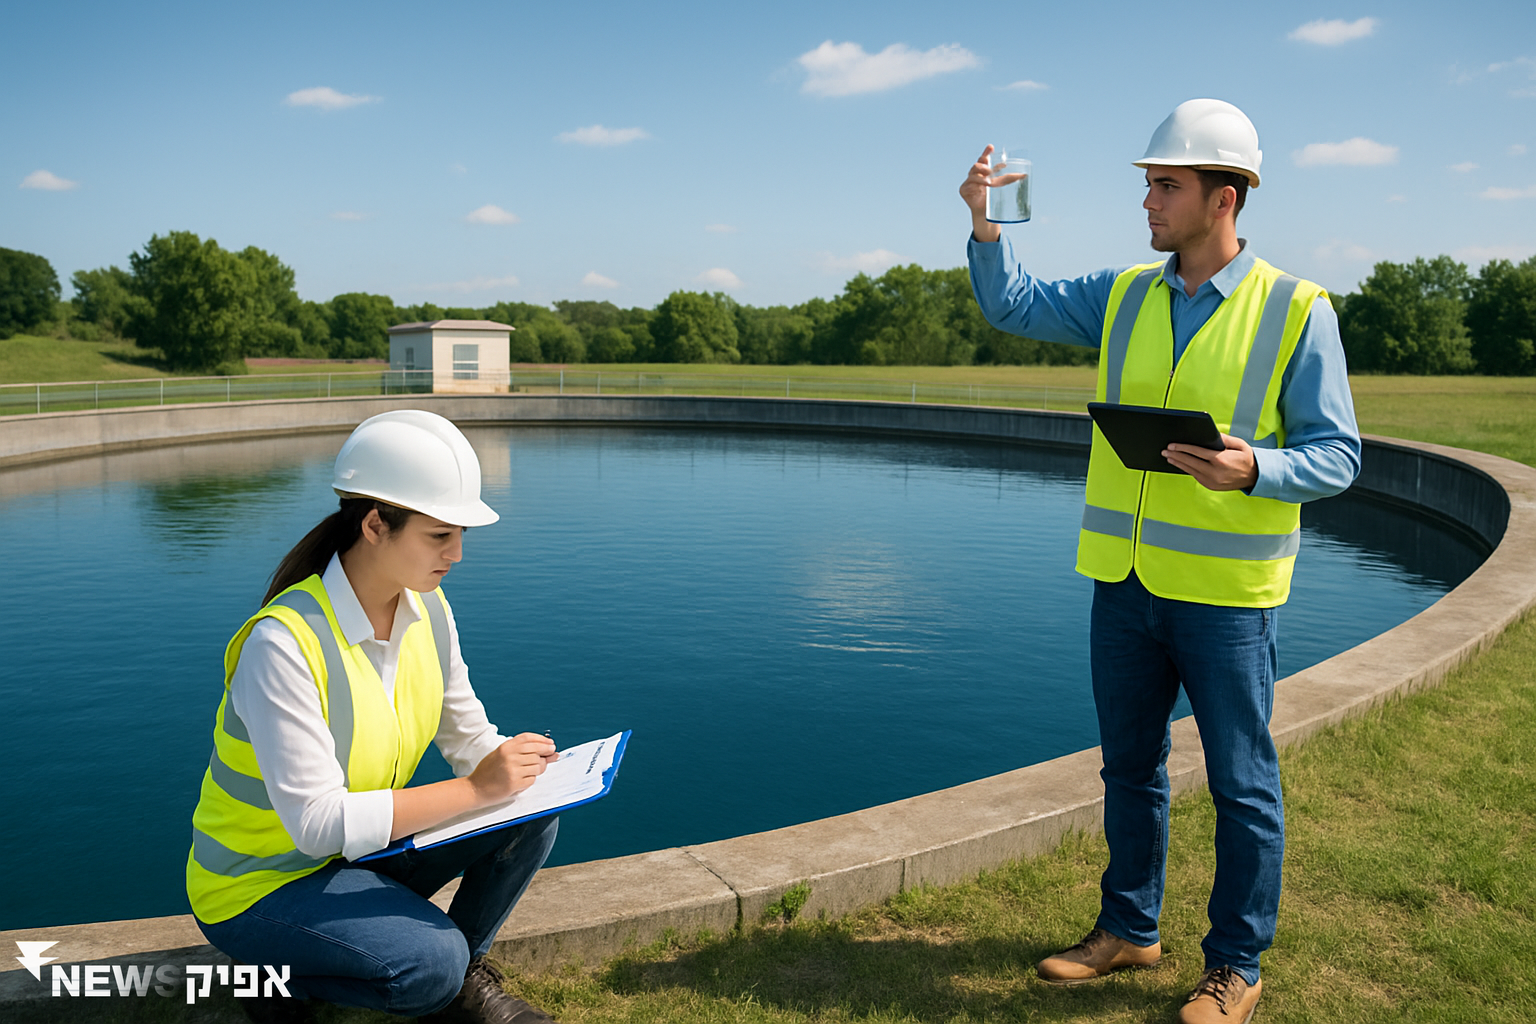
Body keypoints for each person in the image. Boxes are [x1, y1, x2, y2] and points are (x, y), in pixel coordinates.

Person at [960, 99, 1360, 1024]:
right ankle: (1129, 928)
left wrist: (1254, 465)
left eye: (1166, 184)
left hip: (1225, 596)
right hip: (1124, 583)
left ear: (1225, 198)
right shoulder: (1125, 293)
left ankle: (1236, 967)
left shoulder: (1299, 310)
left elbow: (1338, 456)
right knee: (1128, 768)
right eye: (1148, 182)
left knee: (1241, 785)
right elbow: (1010, 305)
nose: (1148, 199)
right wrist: (986, 223)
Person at [186, 409, 561, 1024]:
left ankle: (459, 980)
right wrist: (474, 789)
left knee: (532, 817)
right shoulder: (284, 642)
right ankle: (272, 977)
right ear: (375, 525)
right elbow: (316, 824)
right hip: (256, 886)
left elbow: (470, 739)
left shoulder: (428, 610)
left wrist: (519, 769)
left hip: (355, 857)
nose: (458, 555)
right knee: (428, 963)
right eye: (440, 536)